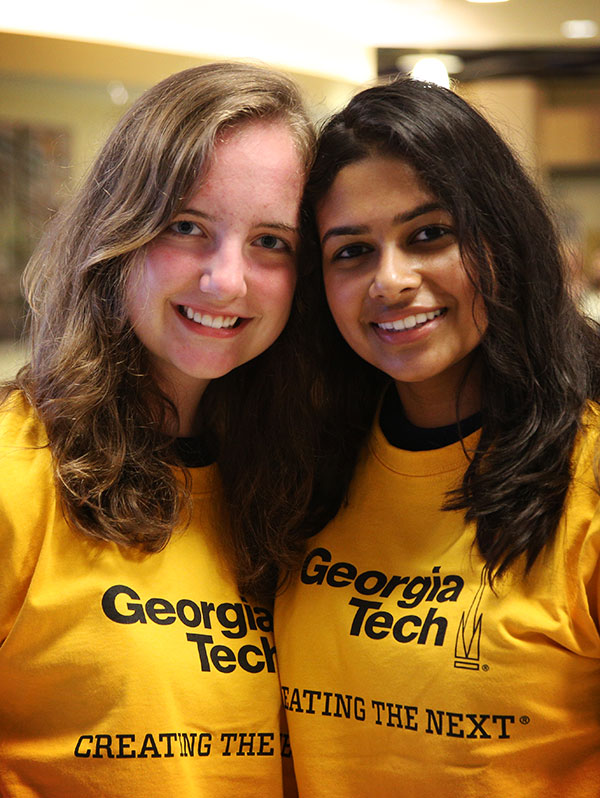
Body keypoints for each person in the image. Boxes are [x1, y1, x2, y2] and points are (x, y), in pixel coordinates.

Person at [275, 78, 600, 796]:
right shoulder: (305, 467)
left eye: (429, 235)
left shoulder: (589, 474)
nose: (391, 281)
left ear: (502, 238)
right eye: (351, 252)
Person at [0, 62, 315, 797]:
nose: (225, 280)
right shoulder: (18, 466)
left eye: (271, 241)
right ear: (120, 231)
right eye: (186, 227)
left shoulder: (311, 480)